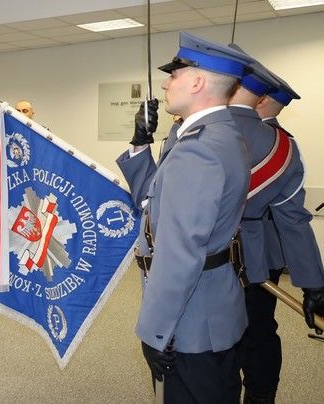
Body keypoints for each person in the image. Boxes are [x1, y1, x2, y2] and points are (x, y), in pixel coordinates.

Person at [116, 31, 255, 403]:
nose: (165, 83)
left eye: (174, 75)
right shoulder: (219, 134)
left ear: (196, 81)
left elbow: (178, 252)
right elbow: (154, 201)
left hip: (192, 321)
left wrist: (156, 331)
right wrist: (141, 142)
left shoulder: (199, 150)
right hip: (213, 307)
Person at [227, 46, 324, 403]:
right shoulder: (284, 144)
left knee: (234, 336)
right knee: (260, 332)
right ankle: (260, 396)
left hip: (232, 258)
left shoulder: (232, 137)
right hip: (264, 259)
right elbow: (295, 221)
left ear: (262, 99)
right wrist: (313, 283)